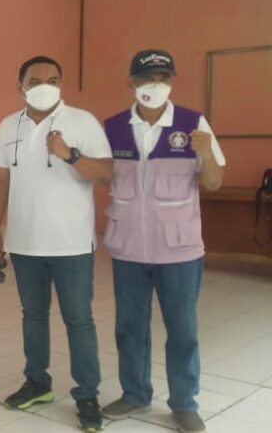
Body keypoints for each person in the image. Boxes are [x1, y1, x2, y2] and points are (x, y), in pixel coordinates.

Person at [100, 50, 225, 433]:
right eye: (146, 78)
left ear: (171, 81)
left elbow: (214, 182)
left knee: (182, 330)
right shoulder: (113, 127)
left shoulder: (192, 123)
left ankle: (184, 403)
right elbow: (103, 175)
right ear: (132, 82)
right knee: (129, 327)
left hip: (179, 250)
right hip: (128, 247)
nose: (155, 85)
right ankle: (135, 394)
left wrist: (205, 152)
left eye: (163, 78)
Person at [0, 56, 112, 432]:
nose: (44, 86)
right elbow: (1, 179)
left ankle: (87, 395)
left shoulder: (82, 121)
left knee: (79, 320)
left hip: (71, 245)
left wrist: (69, 154)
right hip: (24, 243)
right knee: (33, 315)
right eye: (35, 80)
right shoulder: (8, 125)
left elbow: (107, 174)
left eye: (52, 80)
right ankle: (37, 383)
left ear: (61, 83)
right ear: (20, 86)